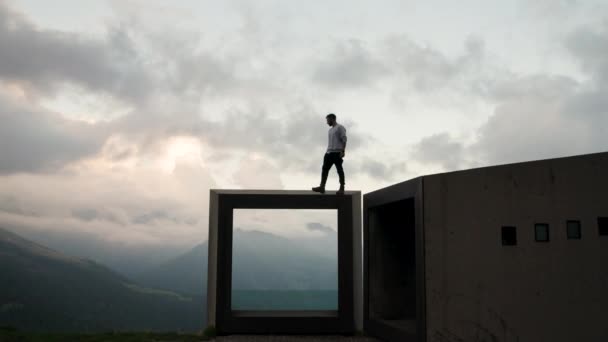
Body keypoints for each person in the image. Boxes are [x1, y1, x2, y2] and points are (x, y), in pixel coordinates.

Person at [312, 113, 347, 195]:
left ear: (332, 119)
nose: (327, 122)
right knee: (324, 169)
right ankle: (322, 187)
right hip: (328, 153)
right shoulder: (330, 130)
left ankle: (342, 187)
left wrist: (343, 151)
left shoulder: (340, 128)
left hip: (337, 153)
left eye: (328, 120)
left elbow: (344, 139)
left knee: (339, 170)